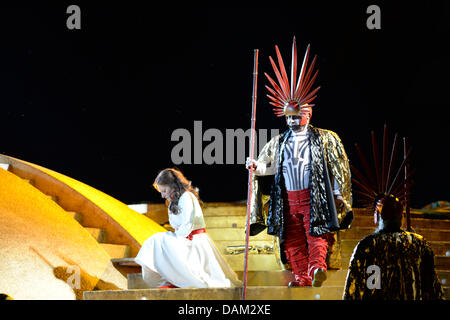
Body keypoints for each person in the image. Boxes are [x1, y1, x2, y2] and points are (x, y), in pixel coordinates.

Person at [246, 37, 353, 287]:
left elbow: (338, 168)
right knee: (291, 237)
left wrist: (338, 195)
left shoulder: (326, 138)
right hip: (287, 198)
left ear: (309, 113)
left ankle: (317, 268)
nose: (293, 121)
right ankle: (301, 275)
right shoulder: (279, 142)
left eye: (298, 116)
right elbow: (268, 166)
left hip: (315, 197)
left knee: (316, 232)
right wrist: (256, 166)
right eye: (290, 117)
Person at [135, 168, 241, 288]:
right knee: (155, 241)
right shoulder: (172, 203)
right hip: (183, 237)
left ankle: (177, 280)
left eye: (164, 191)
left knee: (158, 240)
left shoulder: (187, 197)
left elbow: (188, 224)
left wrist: (175, 241)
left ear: (173, 186)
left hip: (193, 240)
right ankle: (172, 279)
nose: (162, 195)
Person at [343, 194, 443, 300]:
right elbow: (431, 286)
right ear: (401, 217)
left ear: (380, 217)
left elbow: (356, 288)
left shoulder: (367, 244)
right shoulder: (419, 244)